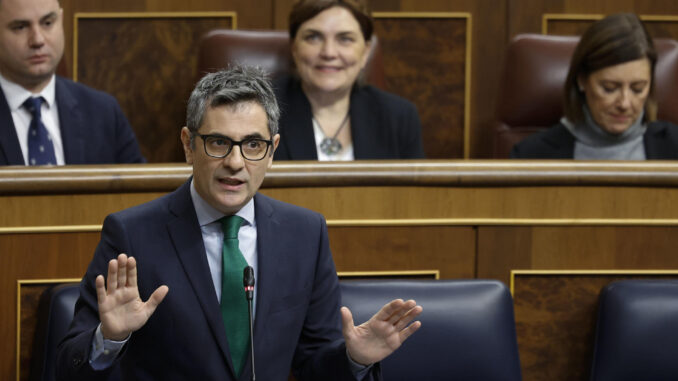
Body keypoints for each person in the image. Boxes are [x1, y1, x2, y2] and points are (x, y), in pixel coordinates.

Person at [55, 66, 422, 381]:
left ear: (272, 150)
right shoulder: (132, 234)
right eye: (218, 143)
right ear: (188, 144)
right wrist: (110, 339)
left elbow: (315, 365)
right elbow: (66, 367)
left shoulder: (304, 234)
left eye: (252, 145)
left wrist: (355, 358)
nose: (235, 162)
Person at [511, 13, 678, 160]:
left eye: (637, 89)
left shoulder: (673, 145)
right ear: (582, 80)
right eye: (609, 88)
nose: (624, 103)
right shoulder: (532, 155)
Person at [273, 0, 425, 161]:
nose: (329, 52)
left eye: (345, 39)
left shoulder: (399, 117)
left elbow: (413, 187)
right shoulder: (261, 112)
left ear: (366, 52)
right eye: (314, 37)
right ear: (294, 48)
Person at [0, 0, 144, 165]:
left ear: (60, 21)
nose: (38, 40)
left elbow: (140, 189)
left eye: (47, 23)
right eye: (20, 27)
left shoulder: (104, 112)